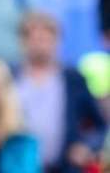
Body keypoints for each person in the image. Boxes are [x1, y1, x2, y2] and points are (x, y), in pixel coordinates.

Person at [15, 12, 107, 173]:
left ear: (57, 41)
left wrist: (86, 146)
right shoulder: (10, 77)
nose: (40, 45)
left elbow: (99, 125)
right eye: (34, 39)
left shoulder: (73, 79)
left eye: (45, 39)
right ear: (23, 42)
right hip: (18, 166)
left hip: (64, 167)